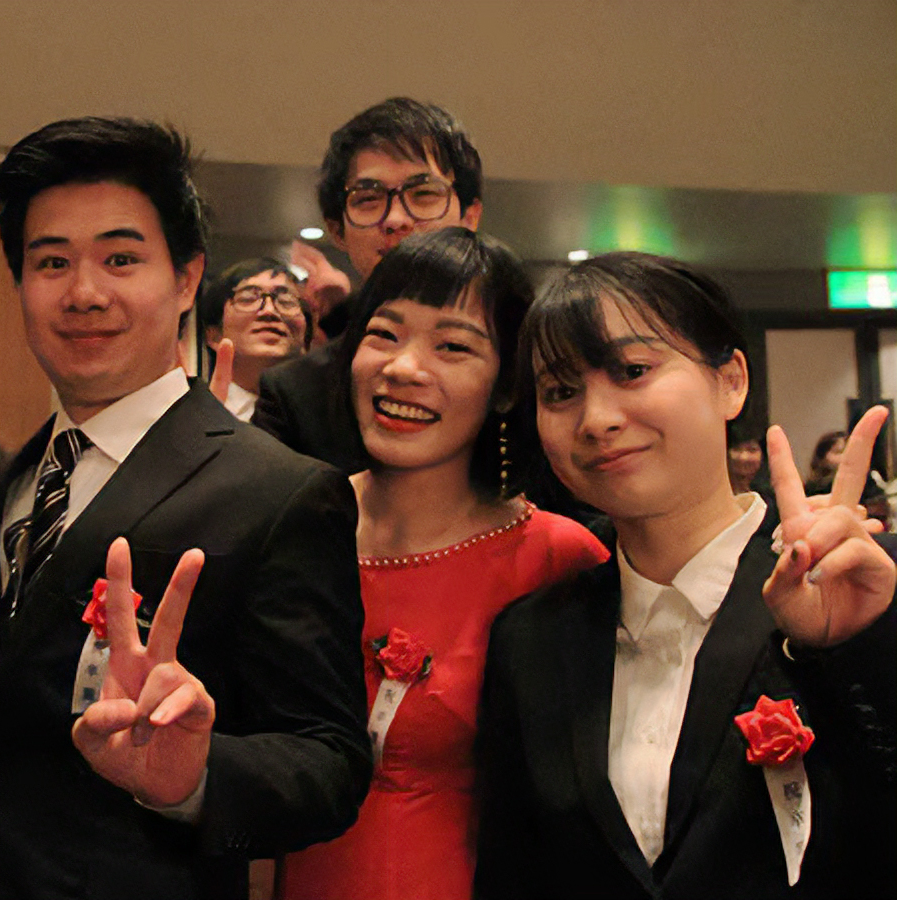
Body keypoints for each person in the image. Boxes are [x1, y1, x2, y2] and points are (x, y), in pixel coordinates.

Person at [0, 117, 371, 900]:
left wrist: (194, 777)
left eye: (121, 258)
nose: (84, 293)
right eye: (51, 262)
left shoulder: (277, 492)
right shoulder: (10, 483)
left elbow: (329, 761)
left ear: (186, 278)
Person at [475, 252, 896, 899]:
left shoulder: (860, 587)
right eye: (560, 392)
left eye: (633, 370)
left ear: (731, 381)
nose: (597, 419)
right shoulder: (530, 639)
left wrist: (851, 647)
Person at [277, 228, 607, 900]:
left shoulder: (557, 558)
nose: (404, 368)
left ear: (507, 386)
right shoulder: (289, 527)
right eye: (384, 334)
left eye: (453, 346)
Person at [253, 97, 484, 473]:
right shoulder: (296, 394)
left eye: (424, 194)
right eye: (368, 199)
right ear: (337, 230)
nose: (396, 219)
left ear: (470, 217)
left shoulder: (524, 365)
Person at [199, 258, 311, 421]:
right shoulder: (195, 416)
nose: (269, 311)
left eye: (286, 300)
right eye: (248, 299)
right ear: (215, 335)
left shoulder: (327, 416)